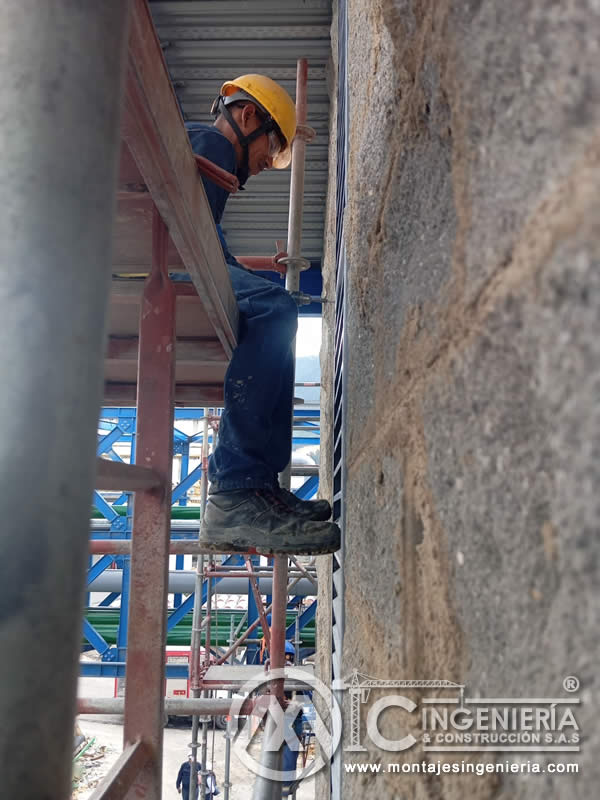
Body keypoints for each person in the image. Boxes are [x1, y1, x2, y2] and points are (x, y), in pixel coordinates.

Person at [186, 74, 341, 556]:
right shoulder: (209, 142)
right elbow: (193, 244)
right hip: (157, 265)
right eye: (271, 147)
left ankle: (257, 489)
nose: (265, 165)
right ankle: (236, 491)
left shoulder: (204, 152)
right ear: (248, 116)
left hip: (159, 259)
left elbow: (204, 239)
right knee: (274, 308)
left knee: (275, 308)